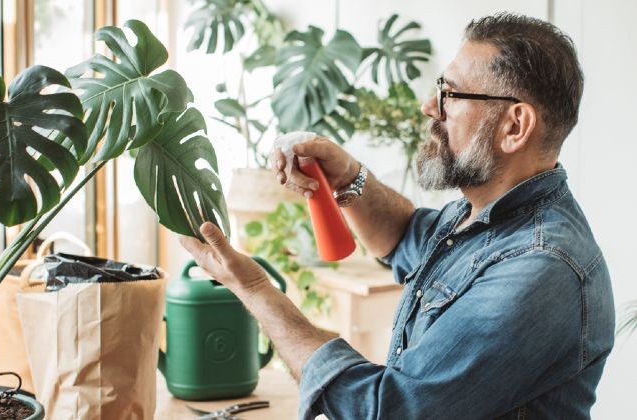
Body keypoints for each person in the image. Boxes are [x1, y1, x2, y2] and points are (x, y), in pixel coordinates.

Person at [179, 12, 615, 419]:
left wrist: (255, 289)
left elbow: (386, 408)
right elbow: (406, 237)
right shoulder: (482, 215)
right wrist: (346, 174)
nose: (430, 107)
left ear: (515, 126)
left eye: (450, 94)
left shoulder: (539, 268)